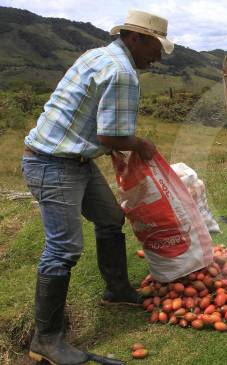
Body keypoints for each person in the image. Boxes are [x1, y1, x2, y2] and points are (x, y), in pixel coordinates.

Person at [22, 9, 174, 365]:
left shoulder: (98, 55)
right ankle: (46, 339)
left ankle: (117, 288)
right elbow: (111, 136)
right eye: (155, 48)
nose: (158, 56)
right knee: (63, 249)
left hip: (75, 159)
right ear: (135, 39)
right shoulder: (122, 72)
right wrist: (141, 145)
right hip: (53, 163)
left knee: (109, 217)